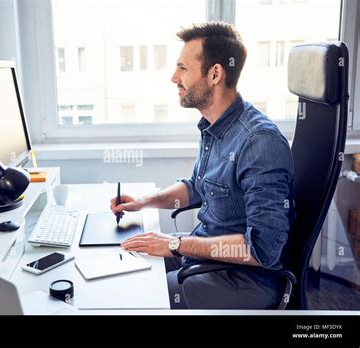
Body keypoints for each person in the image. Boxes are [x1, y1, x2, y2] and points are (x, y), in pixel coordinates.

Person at [110, 22, 295, 309]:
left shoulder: (259, 142)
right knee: (122, 268)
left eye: (183, 68)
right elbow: (197, 186)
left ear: (215, 74)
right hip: (207, 259)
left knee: (135, 298)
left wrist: (175, 244)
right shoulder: (215, 126)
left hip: (244, 280)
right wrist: (145, 202)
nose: (174, 78)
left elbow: (263, 249)